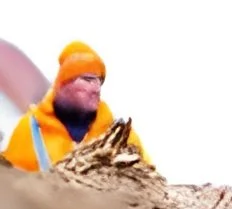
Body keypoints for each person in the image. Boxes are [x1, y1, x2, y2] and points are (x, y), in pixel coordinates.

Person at [3, 41, 145, 171]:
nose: (96, 88)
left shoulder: (122, 137)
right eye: (87, 79)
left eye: (99, 81)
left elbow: (151, 186)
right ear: (64, 84)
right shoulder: (29, 130)